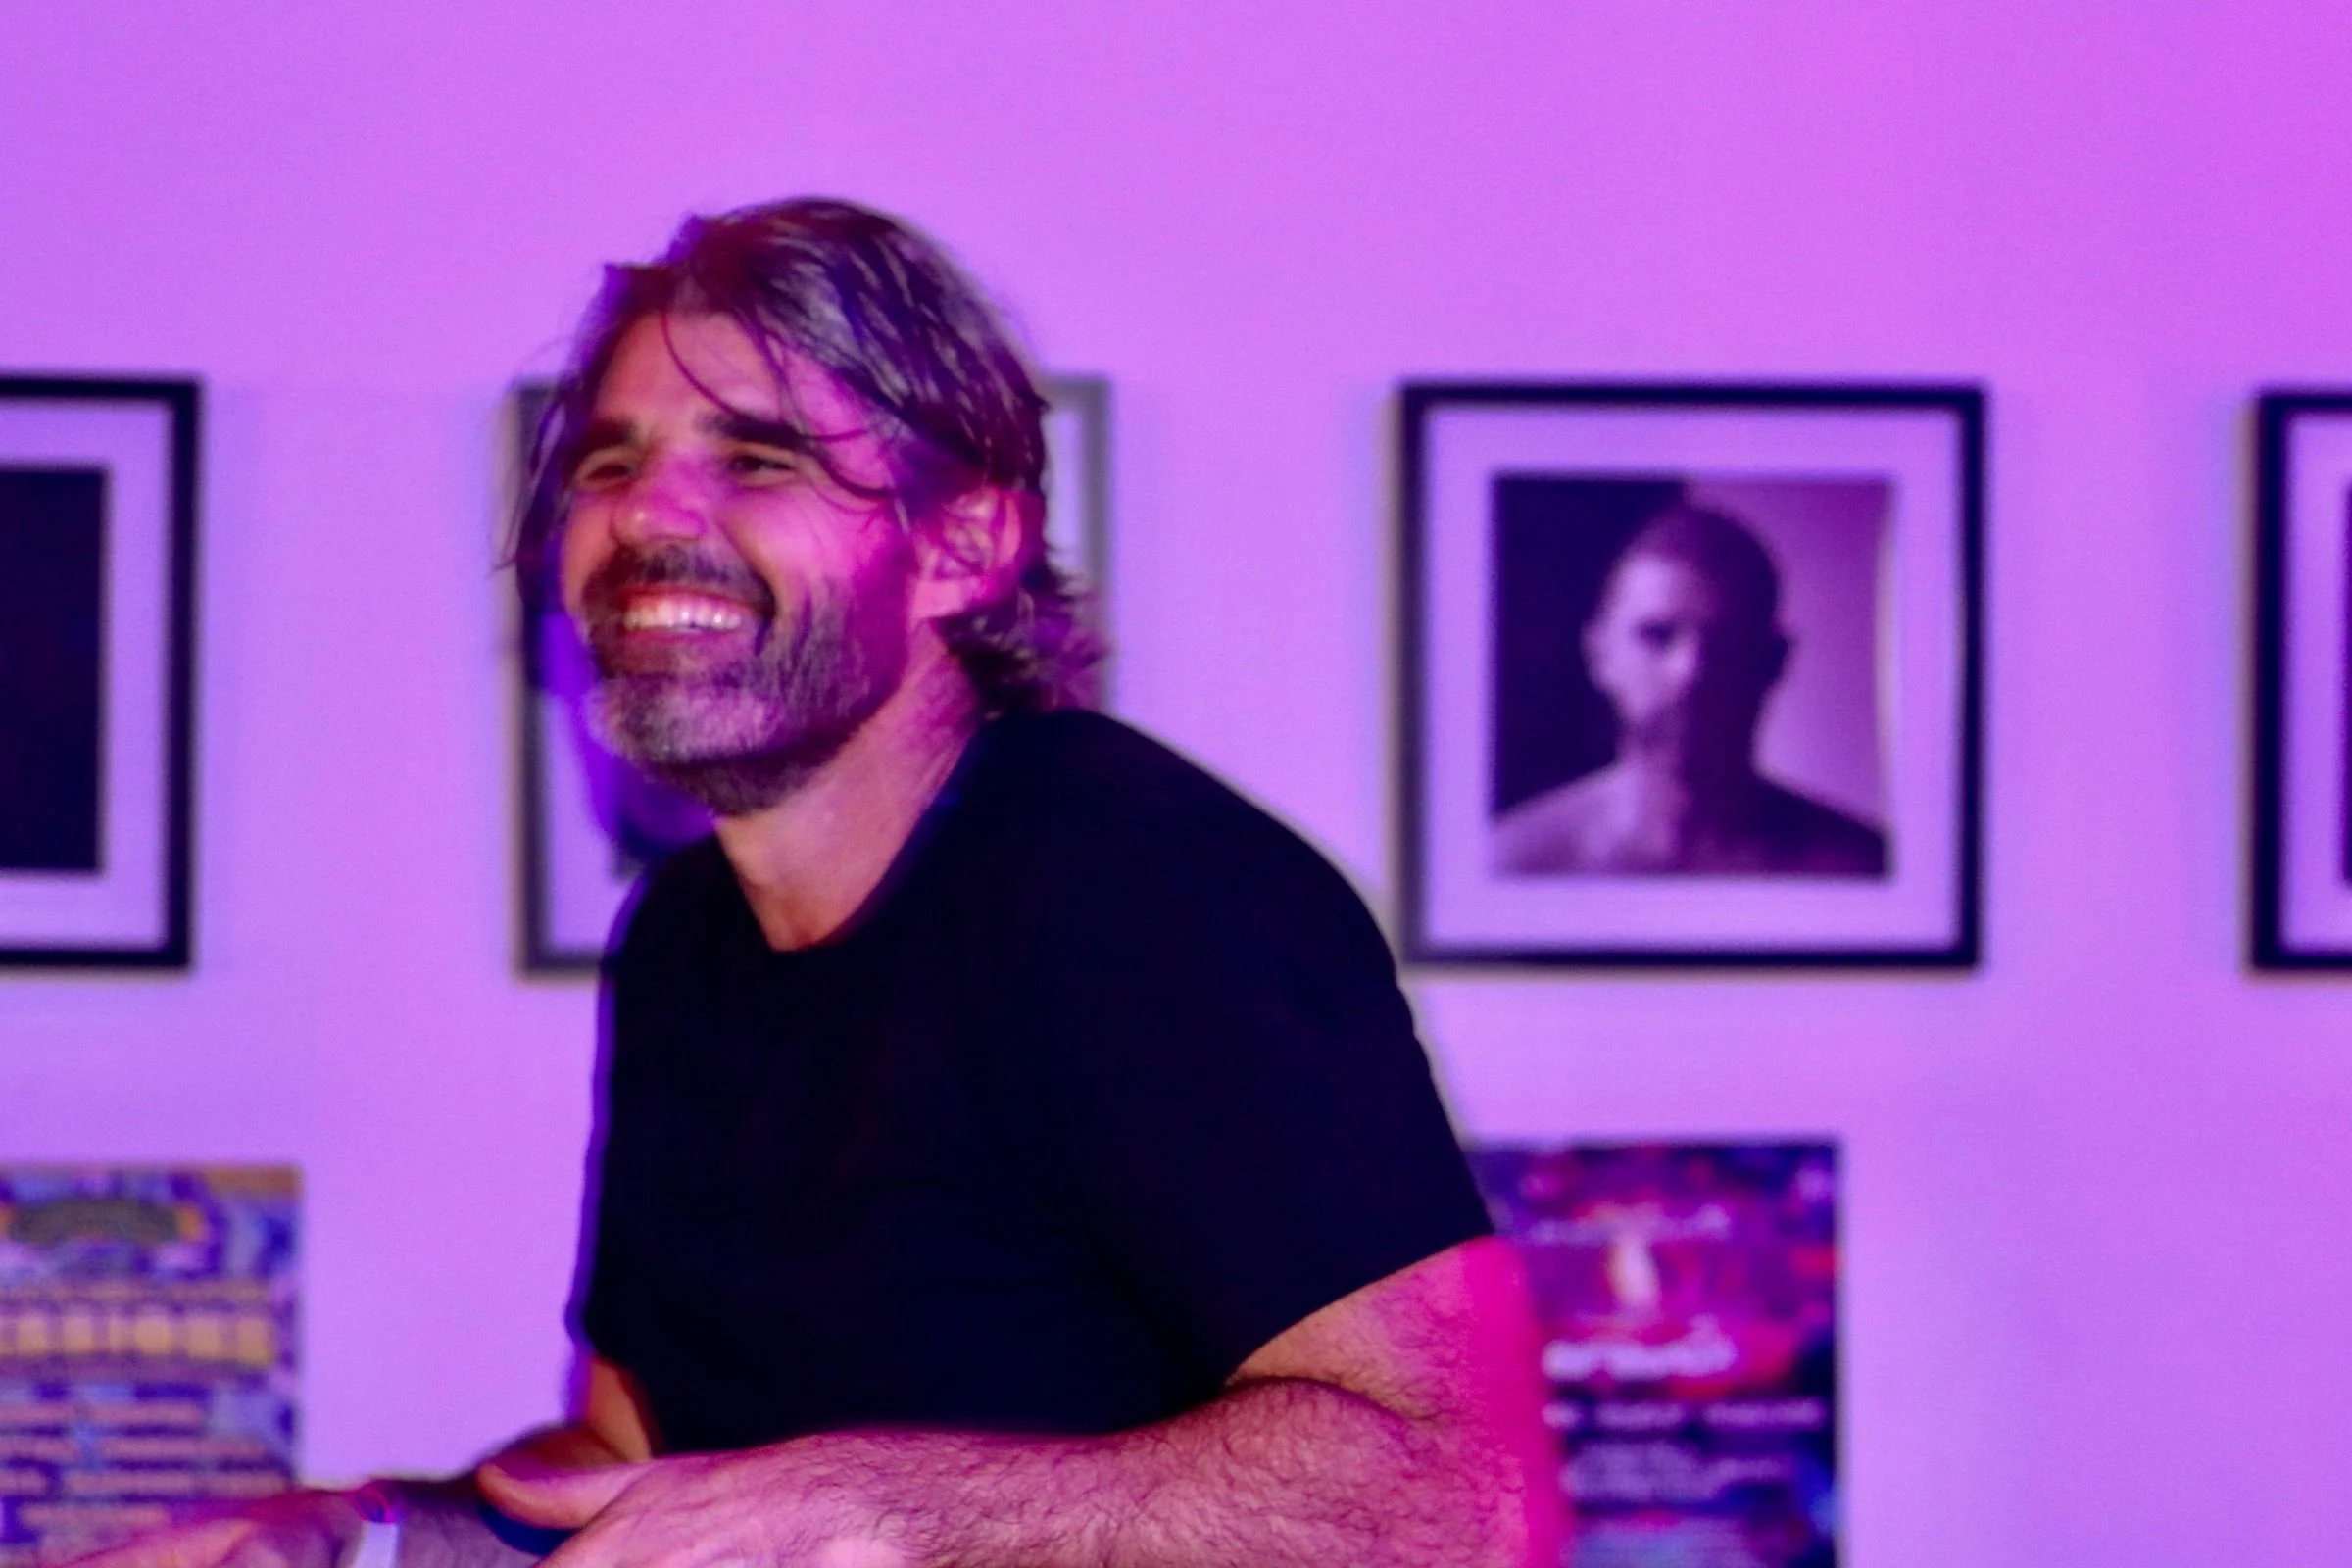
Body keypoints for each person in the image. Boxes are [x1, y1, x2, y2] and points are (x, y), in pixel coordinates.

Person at [76, 199, 1558, 1568]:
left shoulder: (1135, 882)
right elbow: (629, 1471)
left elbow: (1466, 1501)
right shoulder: (684, 939)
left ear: (961, 545)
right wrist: (355, 1538)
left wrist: (880, 1509)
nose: (648, 516)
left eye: (758, 459)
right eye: (610, 464)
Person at [1492, 501, 1887, 877]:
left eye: (1727, 641)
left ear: (1773, 662)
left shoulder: (1862, 869)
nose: (1690, 673)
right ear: (1600, 655)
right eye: (1657, 636)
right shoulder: (1511, 865)